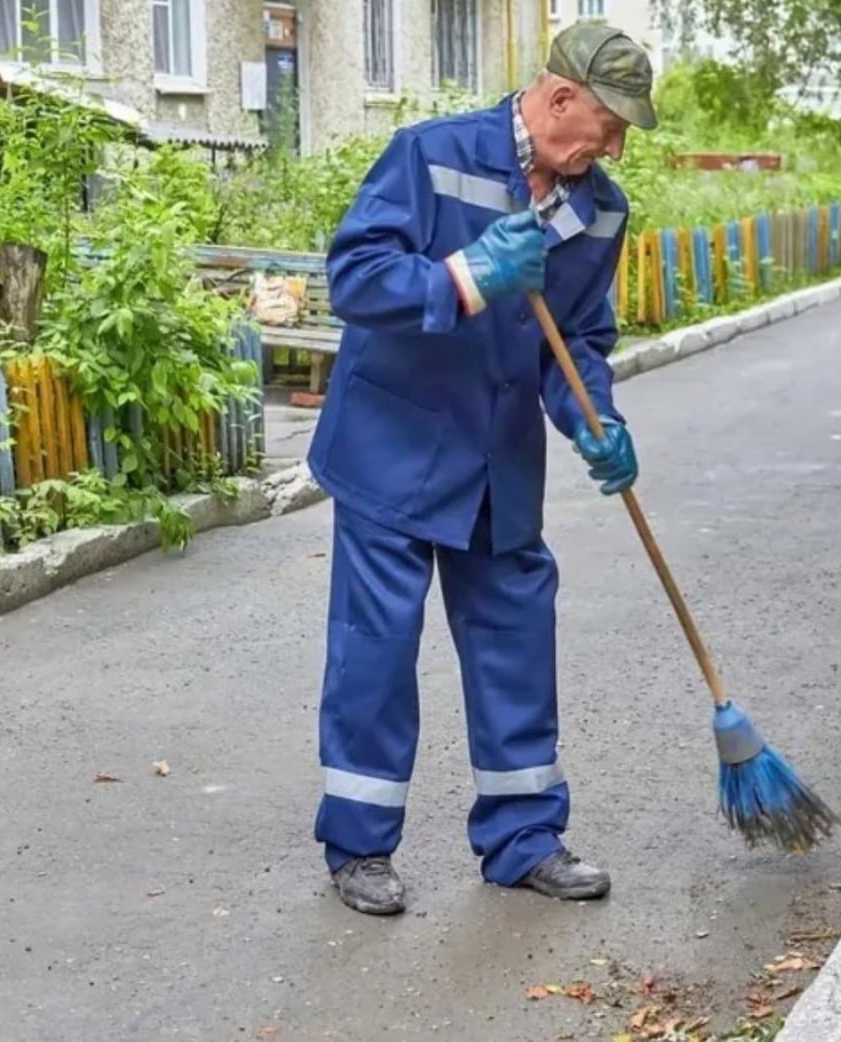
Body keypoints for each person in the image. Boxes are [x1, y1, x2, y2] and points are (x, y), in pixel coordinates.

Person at [305, 22, 658, 915]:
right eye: (609, 124)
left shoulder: (600, 209)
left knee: (515, 640)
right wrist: (463, 276)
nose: (612, 147)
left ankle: (523, 837)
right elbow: (354, 278)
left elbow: (575, 340)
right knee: (376, 651)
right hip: (393, 449)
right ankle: (359, 844)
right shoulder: (428, 156)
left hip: (498, 463)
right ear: (561, 97)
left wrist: (595, 417)